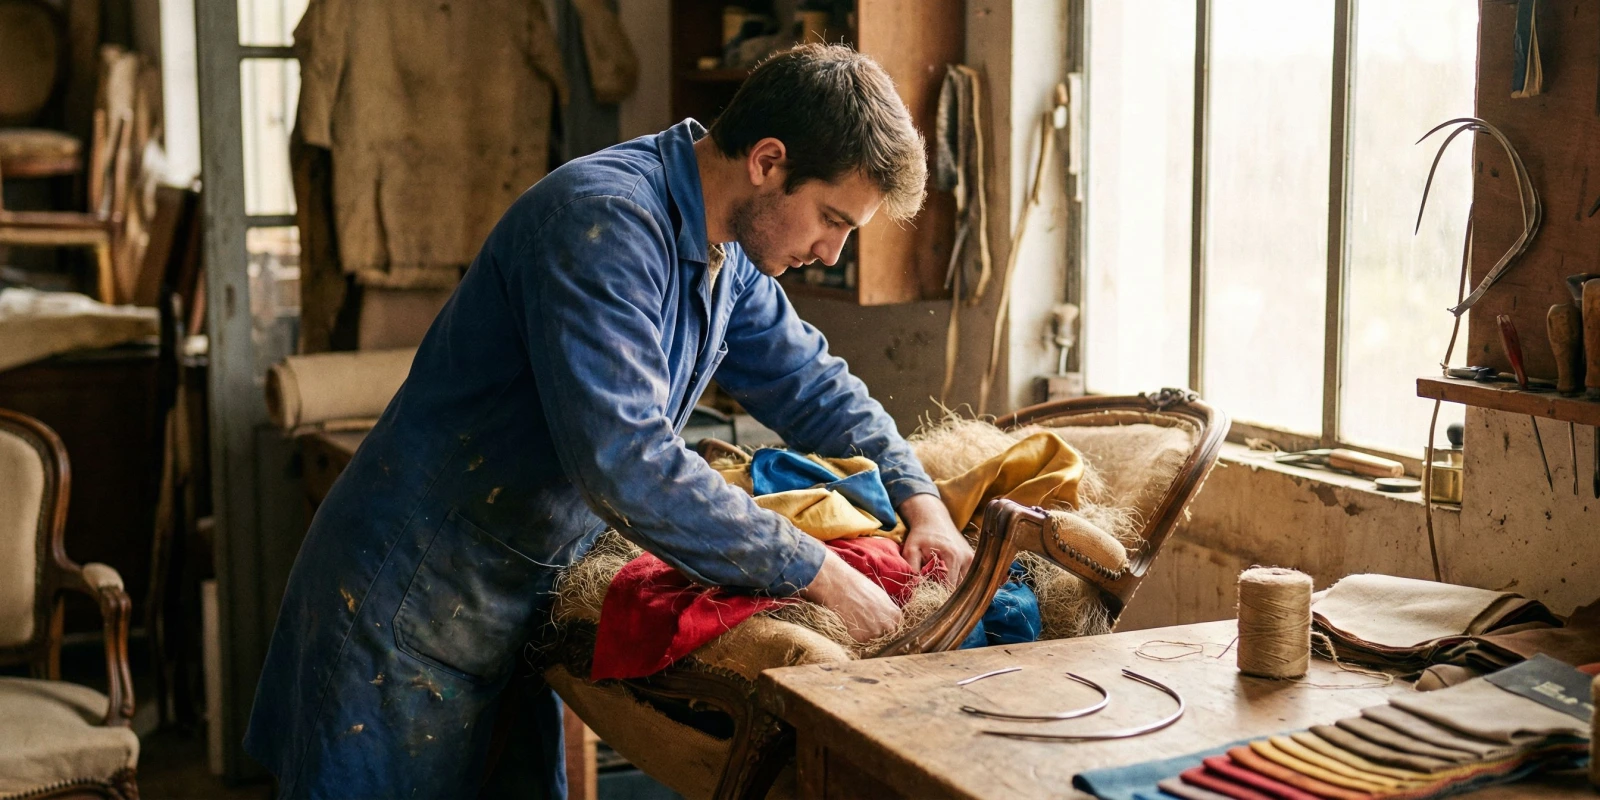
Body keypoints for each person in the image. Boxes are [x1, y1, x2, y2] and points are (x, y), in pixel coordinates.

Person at [244, 43, 973, 798]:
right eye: (831, 219)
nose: (830, 250)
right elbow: (627, 460)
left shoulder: (727, 253)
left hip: (509, 596)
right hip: (407, 596)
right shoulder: (604, 222)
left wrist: (920, 501)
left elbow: (812, 384)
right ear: (767, 161)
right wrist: (817, 571)